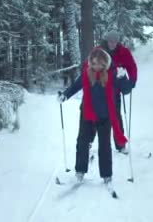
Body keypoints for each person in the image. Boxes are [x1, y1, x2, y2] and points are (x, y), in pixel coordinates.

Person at [57, 48, 131, 183]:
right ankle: (80, 171)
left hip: (105, 115)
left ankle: (106, 175)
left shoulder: (113, 74)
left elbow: (126, 91)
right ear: (91, 62)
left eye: (100, 64)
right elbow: (76, 86)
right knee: (82, 142)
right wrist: (65, 95)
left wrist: (123, 77)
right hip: (87, 113)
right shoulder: (87, 73)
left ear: (105, 63)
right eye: (94, 63)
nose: (97, 66)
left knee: (104, 145)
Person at [98, 30, 137, 152]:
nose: (112, 44)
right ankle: (88, 141)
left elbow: (132, 66)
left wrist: (132, 81)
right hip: (99, 90)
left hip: (114, 90)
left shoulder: (123, 52)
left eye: (114, 42)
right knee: (95, 117)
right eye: (110, 41)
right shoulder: (99, 51)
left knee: (116, 117)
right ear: (107, 40)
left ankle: (120, 144)